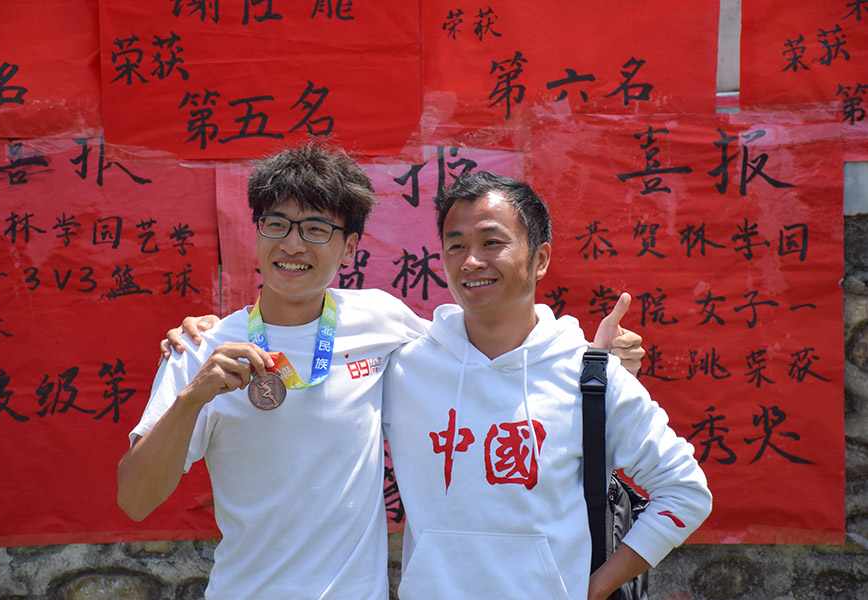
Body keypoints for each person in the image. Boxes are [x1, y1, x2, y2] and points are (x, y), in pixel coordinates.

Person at [121, 144, 643, 599]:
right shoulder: (202, 350)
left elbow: (486, 349)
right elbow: (135, 500)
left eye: (316, 229)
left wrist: (592, 361)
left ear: (349, 248)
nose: (293, 245)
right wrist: (192, 398)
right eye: (276, 225)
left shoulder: (380, 319)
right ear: (257, 233)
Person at [381, 171, 712, 600]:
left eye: (491, 242)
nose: (471, 262)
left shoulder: (588, 377)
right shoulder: (405, 369)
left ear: (540, 259)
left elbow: (685, 492)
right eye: (456, 245)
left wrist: (594, 589)